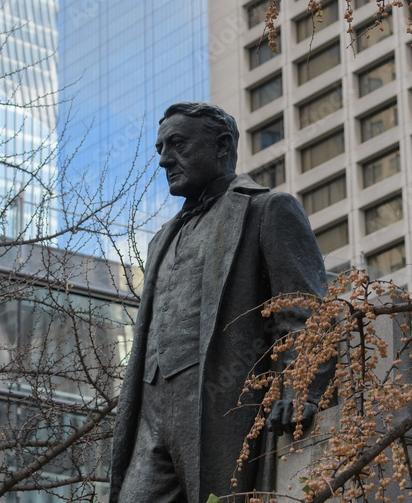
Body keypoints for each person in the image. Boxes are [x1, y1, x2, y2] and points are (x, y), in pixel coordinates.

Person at [109, 102, 332, 503]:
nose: (163, 161)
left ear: (223, 145)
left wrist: (300, 387)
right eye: (160, 148)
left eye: (176, 145)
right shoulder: (162, 237)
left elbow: (301, 306)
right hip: (152, 410)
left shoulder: (267, 209)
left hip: (219, 400)